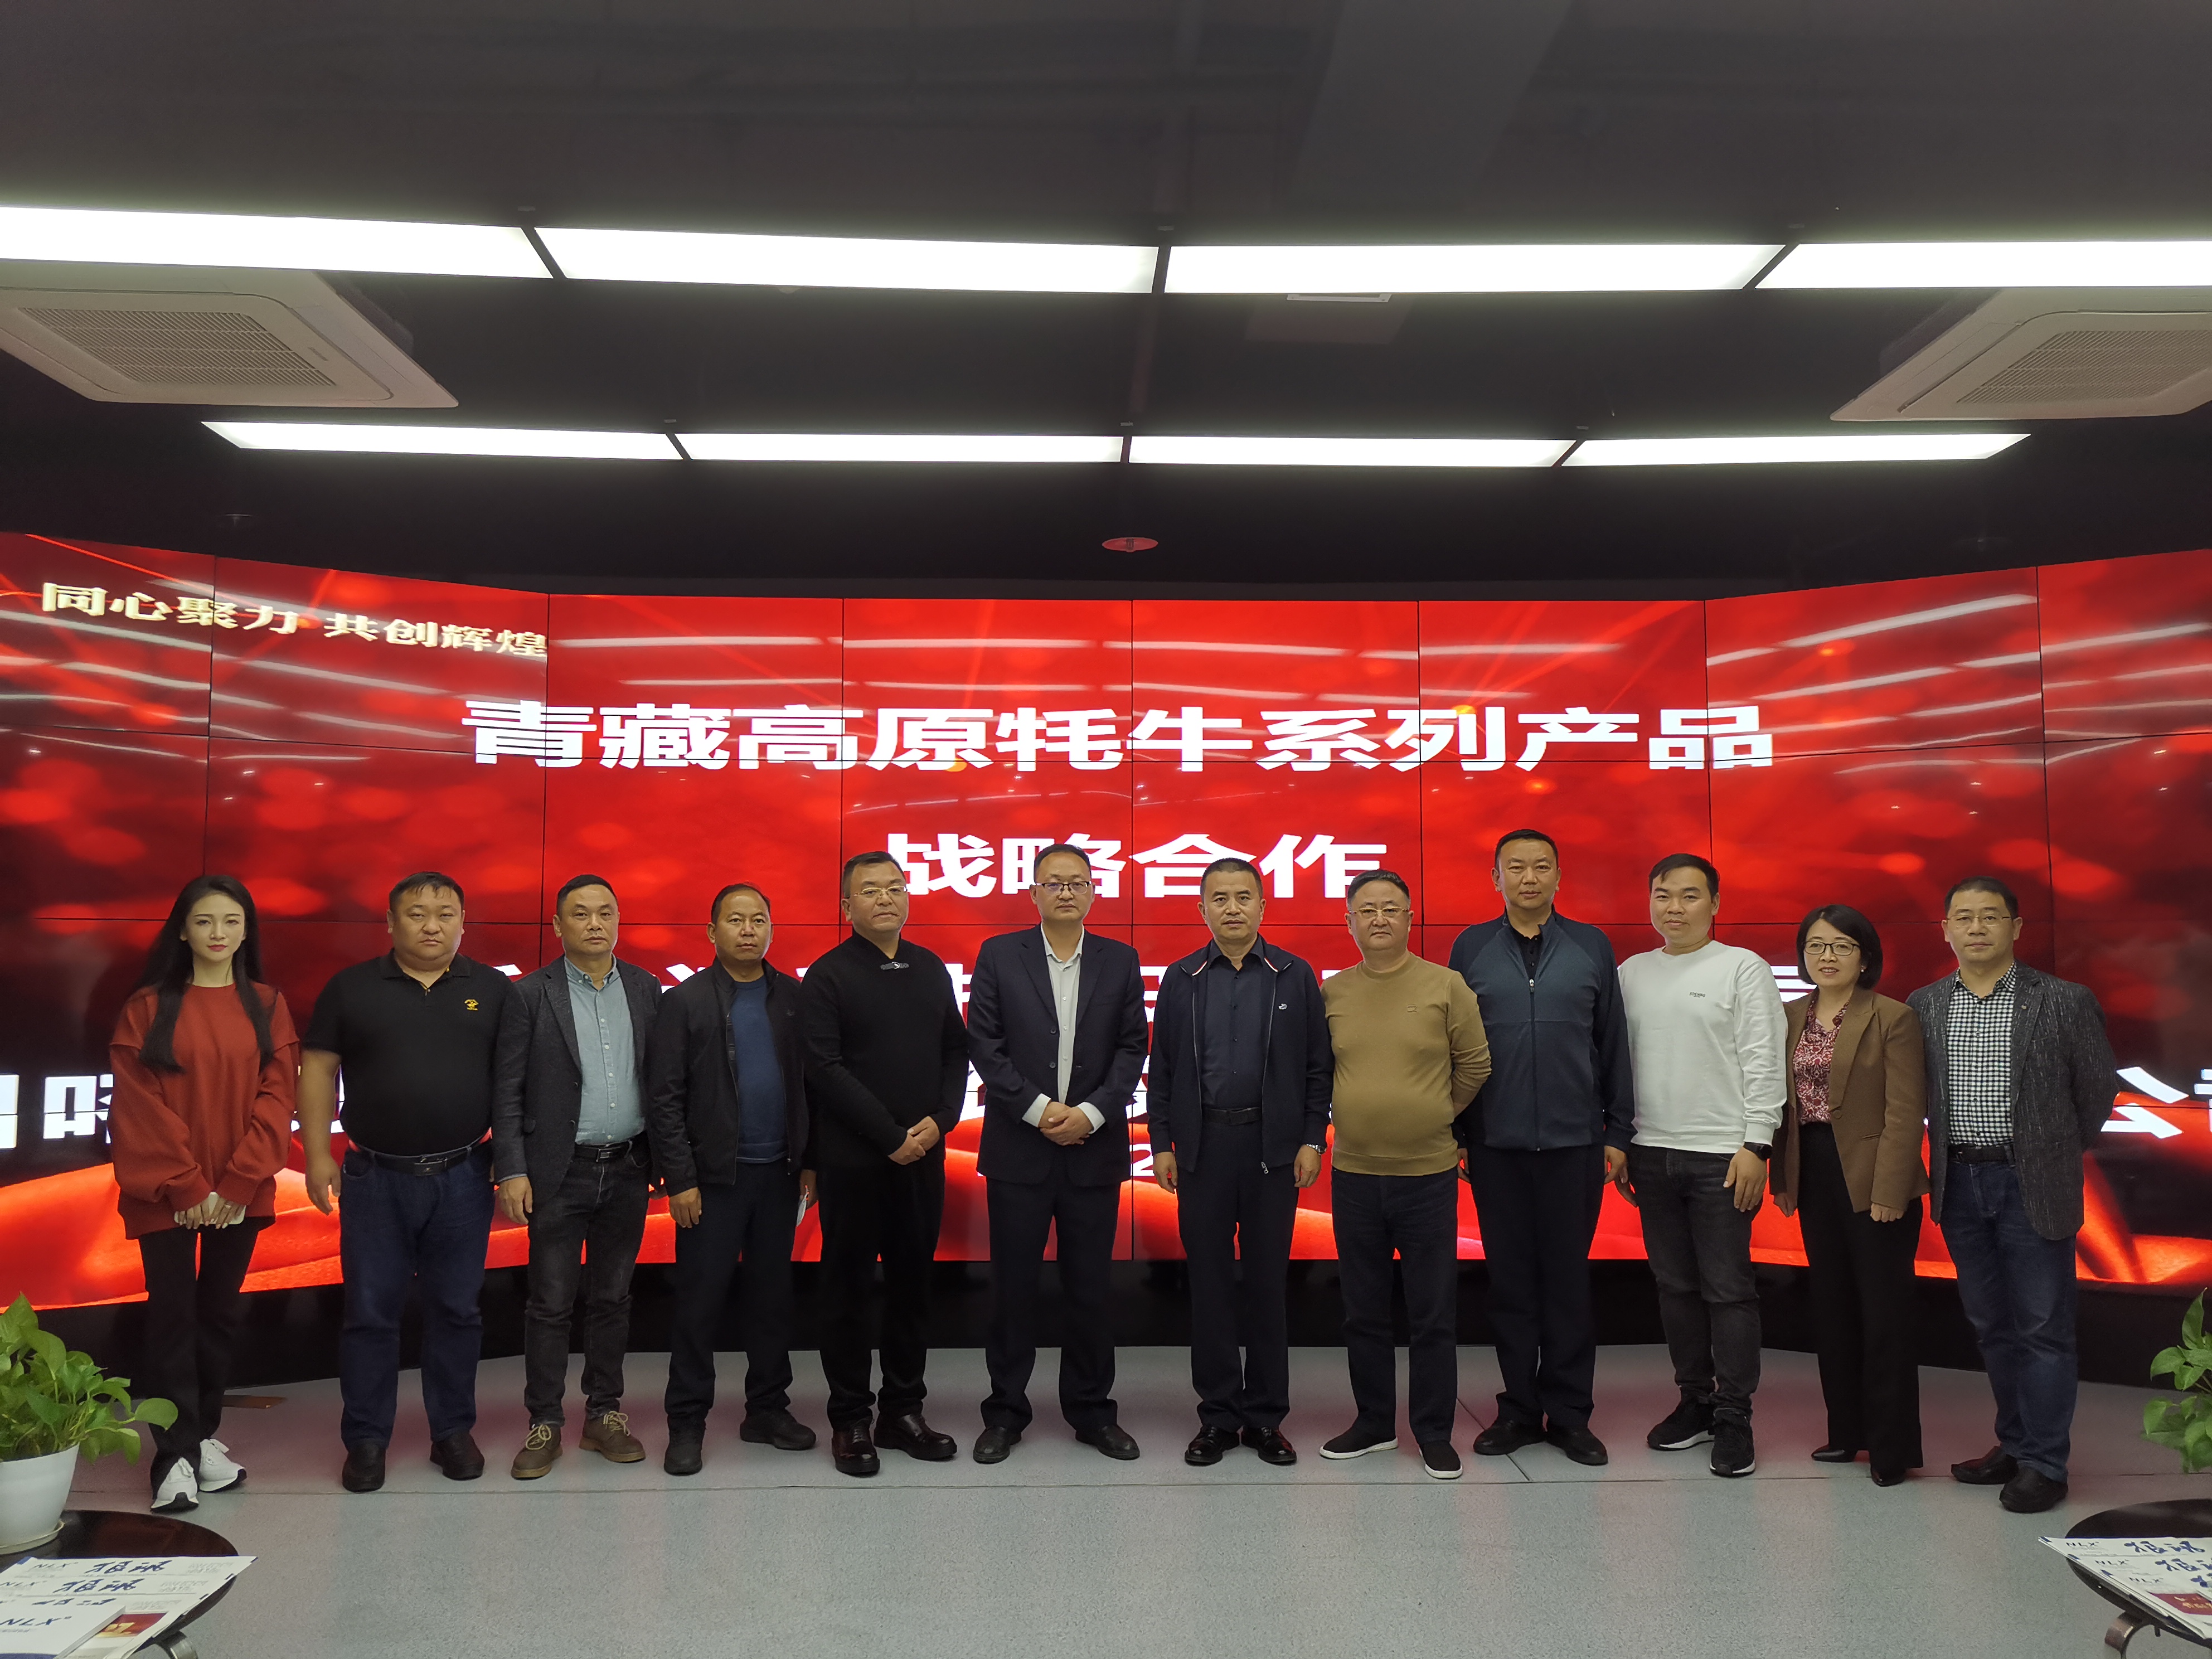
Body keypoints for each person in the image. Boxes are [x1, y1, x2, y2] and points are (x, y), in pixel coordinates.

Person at [1908, 876, 2116, 1514]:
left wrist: (2048, 1151)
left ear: (2015, 927)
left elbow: (2096, 1092)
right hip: (1958, 1183)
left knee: (2042, 1328)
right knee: (1991, 1326)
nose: (1975, 928)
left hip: (2032, 1184)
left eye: (1990, 917)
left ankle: (2045, 1463)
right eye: (1963, 917)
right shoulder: (1924, 1004)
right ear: (1945, 929)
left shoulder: (2062, 1000)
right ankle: (2016, 1443)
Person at [300, 871, 512, 1494]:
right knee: (370, 1313)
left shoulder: (493, 990)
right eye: (417, 914)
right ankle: (367, 1439)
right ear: (391, 923)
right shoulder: (351, 988)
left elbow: (513, 1082)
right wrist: (317, 1156)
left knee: (457, 1311)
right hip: (375, 1178)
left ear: (464, 922)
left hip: (464, 1176)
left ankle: (453, 1431)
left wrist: (510, 1160)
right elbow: (318, 1070)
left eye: (445, 913)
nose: (432, 925)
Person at [107, 875, 299, 1515]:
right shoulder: (147, 1006)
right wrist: (188, 1185)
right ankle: (173, 1458)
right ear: (183, 931)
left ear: (246, 932)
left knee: (219, 1317)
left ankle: (200, 1438)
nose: (219, 933)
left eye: (231, 922)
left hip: (239, 1193)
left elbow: (277, 1097)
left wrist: (238, 1182)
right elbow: (138, 1104)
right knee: (171, 1320)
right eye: (205, 921)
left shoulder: (267, 1004)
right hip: (168, 1193)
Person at [1448, 829, 1634, 1467]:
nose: (1528, 878)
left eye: (1540, 867)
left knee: (1566, 1282)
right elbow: (1454, 1046)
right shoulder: (1470, 947)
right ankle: (1519, 1411)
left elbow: (1611, 1043)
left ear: (1558, 876)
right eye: (1515, 867)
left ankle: (1571, 1415)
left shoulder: (1590, 945)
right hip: (1493, 1144)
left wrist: (1617, 1132)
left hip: (1574, 1143)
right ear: (1494, 877)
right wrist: (1458, 1133)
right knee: (1509, 1283)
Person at [966, 844, 1149, 1463]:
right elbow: (985, 1044)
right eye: (1054, 883)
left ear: (1093, 891)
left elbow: (1132, 1047)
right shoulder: (999, 955)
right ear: (1034, 893)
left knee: (1091, 1289)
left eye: (1077, 882)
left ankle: (1093, 1412)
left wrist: (1092, 1114)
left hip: (1093, 1150)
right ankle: (1004, 1413)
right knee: (1012, 1289)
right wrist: (1039, 1110)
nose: (1066, 892)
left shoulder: (1120, 960)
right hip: (1019, 1149)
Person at [1148, 857, 1331, 1468]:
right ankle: (1217, 1417)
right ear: (1201, 908)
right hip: (1202, 1150)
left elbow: (1317, 1067)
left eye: (1243, 897)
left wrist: (1311, 1139)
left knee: (1267, 1286)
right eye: (1220, 898)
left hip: (1271, 1150)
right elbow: (1163, 1068)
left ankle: (1266, 1418)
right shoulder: (1182, 977)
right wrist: (1162, 1143)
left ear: (1262, 906)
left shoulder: (1293, 975)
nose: (1232, 908)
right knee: (1208, 1287)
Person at [801, 851, 971, 1477]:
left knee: (912, 1288)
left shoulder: (929, 968)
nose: (885, 898)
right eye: (870, 890)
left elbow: (955, 1051)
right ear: (847, 907)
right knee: (847, 1291)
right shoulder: (827, 976)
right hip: (853, 1160)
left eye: (894, 888)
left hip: (922, 1154)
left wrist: (942, 1119)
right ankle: (849, 1418)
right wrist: (889, 1135)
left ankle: (902, 1411)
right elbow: (824, 1069)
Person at [1616, 853, 1785, 1479]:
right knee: (1675, 1287)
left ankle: (1734, 1415)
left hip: (1723, 1155)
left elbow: (1764, 1058)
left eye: (1689, 896)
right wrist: (1620, 1141)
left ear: (1714, 903)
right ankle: (1694, 1401)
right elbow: (1613, 1063)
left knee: (1728, 1289)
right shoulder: (1630, 972)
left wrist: (1757, 1144)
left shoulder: (1741, 968)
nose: (1674, 908)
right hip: (1649, 1151)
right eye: (1663, 895)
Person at [1318, 869, 1491, 1481]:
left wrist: (1435, 1112)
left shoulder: (1446, 985)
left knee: (1431, 1312)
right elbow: (1318, 1074)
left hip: (1427, 1174)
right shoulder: (1332, 992)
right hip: (1354, 1174)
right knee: (1362, 1310)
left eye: (1390, 908)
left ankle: (1433, 1431)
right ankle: (1372, 1423)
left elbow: (1475, 1065)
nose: (1379, 919)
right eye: (1366, 910)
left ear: (1410, 918)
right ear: (1348, 922)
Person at [491, 874, 663, 1479]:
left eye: (605, 912)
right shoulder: (529, 994)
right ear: (559, 925)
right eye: (581, 913)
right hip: (557, 1173)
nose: (595, 923)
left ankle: (604, 1415)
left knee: (613, 1299)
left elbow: (663, 1081)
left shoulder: (645, 987)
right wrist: (511, 1169)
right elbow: (507, 1090)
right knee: (550, 1304)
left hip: (628, 1168)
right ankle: (544, 1423)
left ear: (618, 920)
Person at [646, 882, 817, 1476]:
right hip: (712, 1181)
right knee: (700, 1303)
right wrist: (679, 1179)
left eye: (759, 920)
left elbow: (810, 1088)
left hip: (779, 1177)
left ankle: (766, 1410)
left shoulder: (792, 997)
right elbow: (664, 1098)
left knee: (772, 1299)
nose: (748, 930)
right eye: (736, 920)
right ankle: (686, 1421)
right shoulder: (685, 1001)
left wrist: (810, 1161)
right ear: (711, 931)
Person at [1768, 904, 1929, 1487]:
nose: (1827, 956)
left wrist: (1890, 1189)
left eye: (1840, 946)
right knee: (1831, 1307)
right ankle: (1846, 1432)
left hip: (1874, 1174)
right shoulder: (1787, 1016)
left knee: (1883, 1314)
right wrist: (1782, 1178)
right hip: (1813, 1169)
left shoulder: (1893, 1017)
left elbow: (1904, 1111)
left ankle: (1890, 1448)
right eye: (1815, 946)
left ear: (1864, 958)